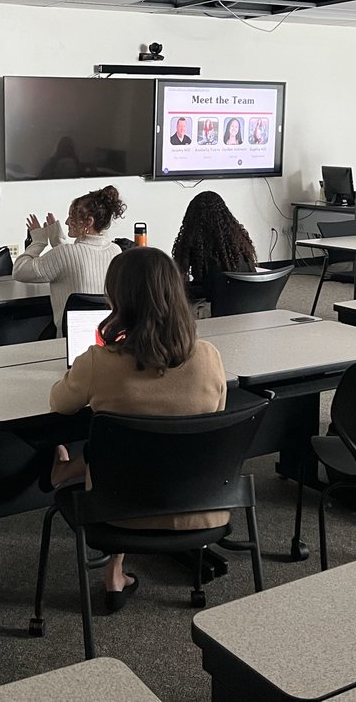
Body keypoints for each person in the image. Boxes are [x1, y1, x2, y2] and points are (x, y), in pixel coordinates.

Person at [47, 247, 228, 610]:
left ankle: (76, 472)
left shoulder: (99, 361)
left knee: (118, 453)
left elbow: (59, 404)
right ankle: (115, 567)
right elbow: (210, 424)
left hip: (117, 510)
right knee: (152, 444)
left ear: (117, 299)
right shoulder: (208, 356)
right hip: (200, 505)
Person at [13, 185, 125, 333]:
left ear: (88, 222)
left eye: (71, 217)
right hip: (105, 338)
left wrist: (38, 242)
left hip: (67, 341)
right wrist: (57, 240)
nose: (66, 222)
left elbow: (20, 271)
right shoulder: (116, 251)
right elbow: (78, 258)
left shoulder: (64, 253)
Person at [171, 191, 258, 302]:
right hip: (250, 310)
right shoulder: (240, 245)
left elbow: (204, 292)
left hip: (217, 312)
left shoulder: (202, 254)